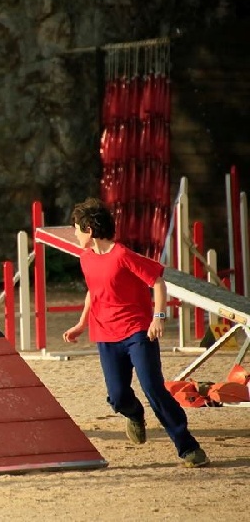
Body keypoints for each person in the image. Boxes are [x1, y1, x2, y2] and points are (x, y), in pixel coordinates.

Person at [62, 197, 209, 468]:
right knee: (117, 396)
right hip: (105, 336)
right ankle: (134, 414)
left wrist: (158, 317)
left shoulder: (122, 255)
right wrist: (81, 324)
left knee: (153, 388)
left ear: (89, 230)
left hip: (138, 333)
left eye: (76, 228)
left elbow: (157, 282)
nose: (74, 233)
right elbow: (93, 292)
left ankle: (187, 446)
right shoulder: (86, 259)